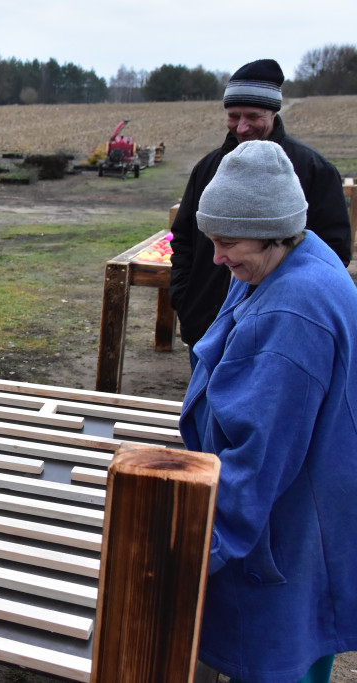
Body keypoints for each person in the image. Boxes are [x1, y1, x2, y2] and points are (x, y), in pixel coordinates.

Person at [179, 141, 357, 682]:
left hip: (288, 532)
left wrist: (191, 551)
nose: (216, 258)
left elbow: (260, 456)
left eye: (227, 241)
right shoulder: (287, 259)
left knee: (282, 660)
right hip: (304, 514)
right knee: (302, 648)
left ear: (274, 228)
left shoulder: (291, 311)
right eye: (211, 240)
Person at [169, 58, 351, 366]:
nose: (242, 126)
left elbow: (333, 252)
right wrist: (185, 300)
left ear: (273, 112)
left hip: (275, 334)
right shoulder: (207, 168)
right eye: (233, 116)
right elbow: (184, 238)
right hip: (205, 326)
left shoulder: (312, 170)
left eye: (253, 115)